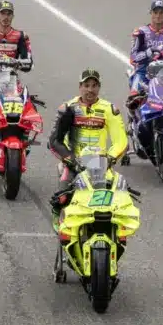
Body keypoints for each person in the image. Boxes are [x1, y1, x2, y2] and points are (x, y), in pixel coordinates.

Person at [46, 68, 129, 215]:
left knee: (120, 200)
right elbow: (54, 141)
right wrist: (71, 159)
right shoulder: (68, 108)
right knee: (62, 198)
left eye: (94, 85)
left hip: (101, 164)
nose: (90, 90)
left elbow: (121, 140)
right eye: (86, 85)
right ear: (80, 87)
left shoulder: (109, 109)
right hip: (74, 163)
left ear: (99, 87)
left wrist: (110, 158)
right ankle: (60, 222)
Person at [127, 0, 163, 113]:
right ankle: (133, 120)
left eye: (161, 12)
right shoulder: (140, 32)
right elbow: (133, 58)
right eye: (155, 12)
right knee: (133, 100)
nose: (158, 15)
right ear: (151, 13)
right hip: (143, 72)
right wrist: (148, 53)